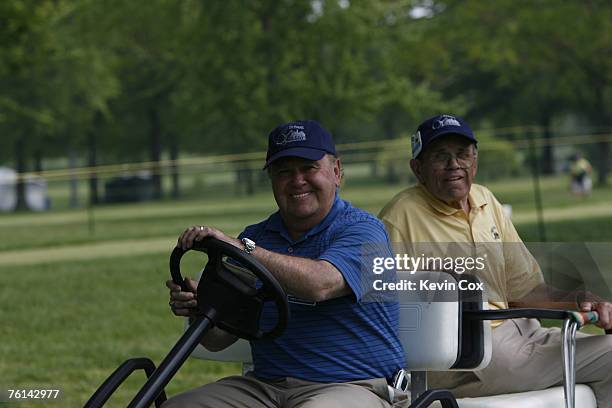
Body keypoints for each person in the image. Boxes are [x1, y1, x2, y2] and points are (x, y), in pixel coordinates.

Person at [164, 120, 409, 408]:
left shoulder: (363, 230)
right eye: (284, 172)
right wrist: (201, 309)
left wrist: (243, 248)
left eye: (309, 168)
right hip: (266, 387)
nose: (297, 180)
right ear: (272, 181)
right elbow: (219, 340)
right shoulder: (257, 237)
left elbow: (320, 284)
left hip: (356, 385)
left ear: (337, 172)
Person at [378, 114, 612, 407]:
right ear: (417, 168)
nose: (455, 165)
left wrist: (577, 300)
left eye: (463, 155)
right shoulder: (399, 216)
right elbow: (378, 299)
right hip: (468, 356)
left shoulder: (485, 200)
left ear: (474, 162)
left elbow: (523, 290)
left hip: (523, 333)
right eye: (441, 156)